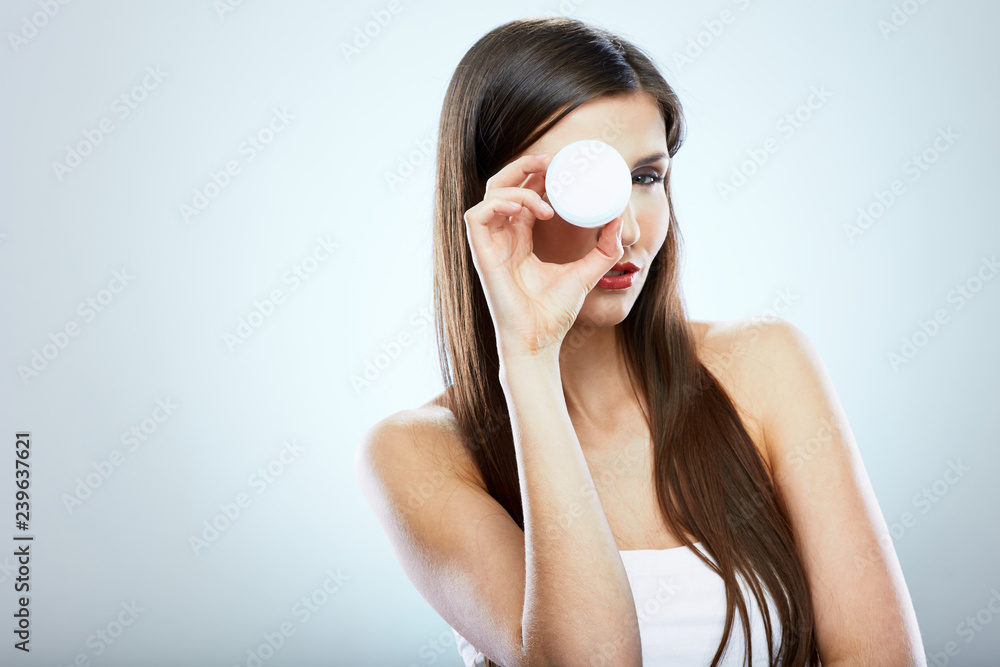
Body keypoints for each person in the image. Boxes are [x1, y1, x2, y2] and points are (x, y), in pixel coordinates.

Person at [355, 16, 925, 666]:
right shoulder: (415, 452)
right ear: (496, 201)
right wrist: (530, 359)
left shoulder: (765, 365)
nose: (624, 228)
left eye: (647, 177)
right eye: (578, 186)